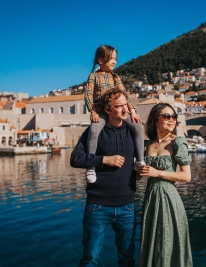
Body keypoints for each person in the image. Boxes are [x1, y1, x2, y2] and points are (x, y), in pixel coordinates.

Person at [70, 88, 137, 267]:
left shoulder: (132, 132)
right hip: (97, 207)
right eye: (119, 106)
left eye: (125, 105)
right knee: (90, 260)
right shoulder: (95, 131)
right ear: (107, 109)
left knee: (127, 259)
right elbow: (75, 159)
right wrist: (104, 160)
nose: (125, 110)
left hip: (128, 207)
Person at [138, 103, 193, 267]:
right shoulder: (146, 145)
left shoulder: (177, 142)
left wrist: (158, 173)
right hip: (151, 198)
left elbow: (186, 176)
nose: (172, 120)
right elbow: (138, 178)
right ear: (155, 120)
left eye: (174, 116)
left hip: (169, 199)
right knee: (153, 243)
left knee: (168, 243)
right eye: (167, 116)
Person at [84, 44, 146, 183]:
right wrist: (93, 111)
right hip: (100, 112)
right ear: (101, 60)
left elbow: (125, 95)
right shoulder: (93, 76)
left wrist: (133, 111)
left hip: (119, 111)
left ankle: (140, 161)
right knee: (94, 131)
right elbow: (88, 95)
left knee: (138, 126)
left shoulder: (115, 77)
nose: (114, 62)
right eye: (111, 59)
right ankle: (91, 167)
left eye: (115, 59)